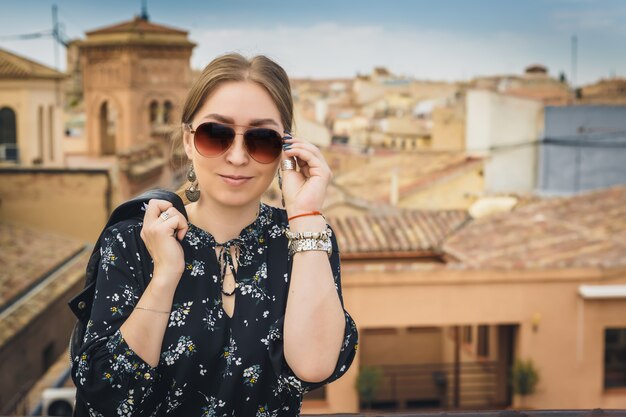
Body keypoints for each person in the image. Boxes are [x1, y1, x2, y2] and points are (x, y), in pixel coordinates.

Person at [70, 52, 358, 417]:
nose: (238, 156)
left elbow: (315, 366)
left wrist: (304, 215)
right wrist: (165, 276)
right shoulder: (133, 242)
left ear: (286, 149)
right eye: (216, 134)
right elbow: (110, 393)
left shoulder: (307, 240)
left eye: (262, 138)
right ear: (189, 141)